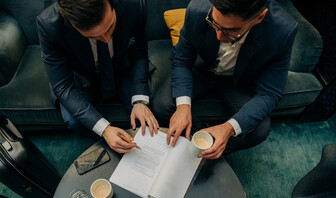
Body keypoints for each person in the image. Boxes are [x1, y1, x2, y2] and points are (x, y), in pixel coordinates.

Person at [153, 0, 298, 159]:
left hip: (240, 82)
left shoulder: (283, 31)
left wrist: (228, 128)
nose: (219, 36)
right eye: (214, 23)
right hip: (201, 70)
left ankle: (211, 150)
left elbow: (270, 93)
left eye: (231, 31)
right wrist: (183, 107)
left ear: (259, 17)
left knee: (259, 130)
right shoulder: (197, 10)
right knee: (162, 105)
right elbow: (182, 60)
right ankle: (203, 141)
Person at [37, 0, 159, 153]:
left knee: (146, 110)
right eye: (94, 36)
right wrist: (105, 130)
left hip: (120, 67)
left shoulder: (134, 5)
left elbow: (139, 54)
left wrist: (140, 101)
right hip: (80, 76)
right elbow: (63, 87)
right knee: (75, 121)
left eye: (110, 27)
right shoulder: (49, 25)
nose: (107, 39)